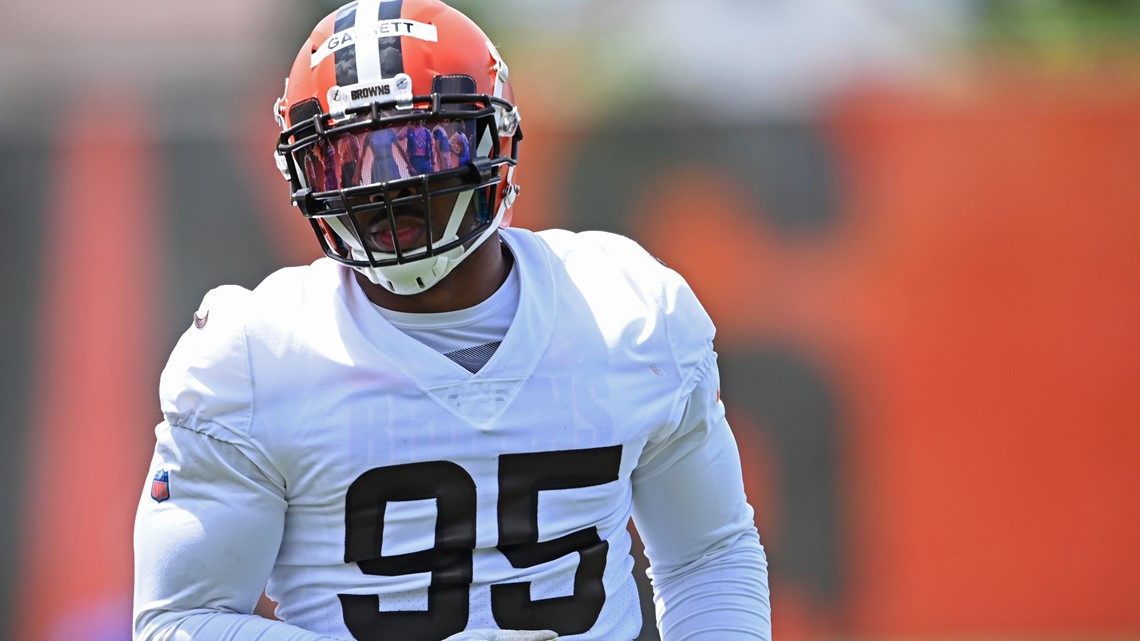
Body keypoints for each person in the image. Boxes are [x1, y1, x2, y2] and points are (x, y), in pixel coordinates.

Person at [132, 1, 771, 640]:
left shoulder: (630, 314)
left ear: (494, 139)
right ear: (304, 173)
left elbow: (707, 556)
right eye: (347, 160)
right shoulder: (253, 358)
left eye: (421, 145)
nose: (388, 187)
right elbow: (181, 622)